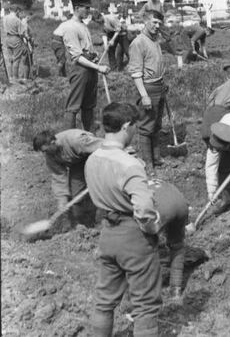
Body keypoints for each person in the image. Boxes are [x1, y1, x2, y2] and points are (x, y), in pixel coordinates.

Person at [85, 102, 161, 337]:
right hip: (133, 235)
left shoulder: (92, 159)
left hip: (107, 233)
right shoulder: (131, 165)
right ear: (126, 126)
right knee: (145, 304)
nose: (135, 132)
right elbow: (144, 209)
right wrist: (154, 228)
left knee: (104, 300)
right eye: (135, 127)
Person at [33, 128, 103, 228]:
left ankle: (103, 216)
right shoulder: (50, 155)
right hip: (77, 163)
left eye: (45, 150)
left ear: (53, 143)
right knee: (77, 196)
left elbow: (104, 146)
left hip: (96, 157)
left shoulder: (76, 140)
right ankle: (86, 225)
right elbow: (58, 177)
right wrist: (62, 201)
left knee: (100, 188)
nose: (45, 154)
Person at [62, 0, 111, 131]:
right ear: (77, 8)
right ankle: (70, 139)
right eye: (86, 8)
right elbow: (77, 56)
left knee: (89, 105)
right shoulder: (70, 27)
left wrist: (94, 56)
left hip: (89, 68)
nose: (89, 11)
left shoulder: (82, 25)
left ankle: (89, 137)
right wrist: (98, 67)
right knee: (73, 106)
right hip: (80, 69)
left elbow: (86, 47)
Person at [128, 9, 167, 173]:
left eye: (160, 23)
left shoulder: (155, 41)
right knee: (146, 126)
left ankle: (156, 158)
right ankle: (148, 163)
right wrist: (144, 95)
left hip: (159, 85)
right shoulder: (138, 43)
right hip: (148, 87)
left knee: (157, 124)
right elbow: (136, 72)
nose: (157, 26)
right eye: (154, 22)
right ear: (145, 21)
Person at [149, 180, 189, 302]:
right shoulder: (149, 181)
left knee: (146, 248)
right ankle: (176, 291)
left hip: (162, 208)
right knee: (177, 246)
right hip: (181, 203)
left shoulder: (131, 189)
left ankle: (150, 292)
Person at [2, 5, 27, 81]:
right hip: (15, 38)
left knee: (10, 59)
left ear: (10, 10)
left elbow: (4, 28)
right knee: (16, 59)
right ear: (17, 11)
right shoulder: (17, 20)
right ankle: (15, 78)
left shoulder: (5, 18)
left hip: (7, 38)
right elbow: (21, 33)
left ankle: (10, 77)